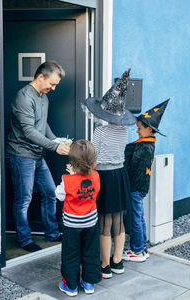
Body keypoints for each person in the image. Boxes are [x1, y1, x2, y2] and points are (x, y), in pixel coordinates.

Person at [6, 61, 71, 252]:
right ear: (40, 76)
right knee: (23, 198)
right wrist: (54, 147)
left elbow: (43, 126)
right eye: (52, 83)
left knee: (50, 193)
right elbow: (28, 131)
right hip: (20, 156)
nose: (53, 88)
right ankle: (24, 240)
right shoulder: (23, 97)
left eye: (56, 85)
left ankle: (51, 233)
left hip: (37, 155)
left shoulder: (44, 97)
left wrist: (57, 140)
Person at [83, 69, 136, 278]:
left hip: (104, 176)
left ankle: (104, 265)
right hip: (120, 175)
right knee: (118, 220)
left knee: (104, 221)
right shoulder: (124, 131)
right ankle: (118, 261)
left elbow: (93, 156)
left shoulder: (100, 131)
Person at [122, 99, 169, 262]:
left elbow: (132, 167)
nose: (136, 130)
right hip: (141, 187)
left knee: (136, 217)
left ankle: (136, 250)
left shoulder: (143, 146)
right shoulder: (148, 144)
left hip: (136, 187)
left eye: (139, 128)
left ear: (149, 129)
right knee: (139, 216)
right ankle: (141, 248)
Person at [55, 139, 101, 297]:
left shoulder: (67, 180)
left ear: (72, 162)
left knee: (71, 253)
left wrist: (71, 175)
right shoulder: (96, 176)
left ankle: (71, 286)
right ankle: (89, 283)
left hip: (72, 223)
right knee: (91, 251)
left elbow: (59, 195)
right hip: (90, 221)